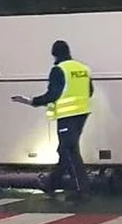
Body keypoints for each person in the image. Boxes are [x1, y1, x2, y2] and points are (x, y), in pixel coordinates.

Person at [12, 40, 94, 201]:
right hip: (82, 114)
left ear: (54, 54)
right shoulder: (82, 68)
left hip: (66, 116)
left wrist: (30, 101)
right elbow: (90, 91)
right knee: (65, 150)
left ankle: (82, 190)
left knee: (70, 152)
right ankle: (51, 183)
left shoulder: (59, 70)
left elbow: (53, 95)